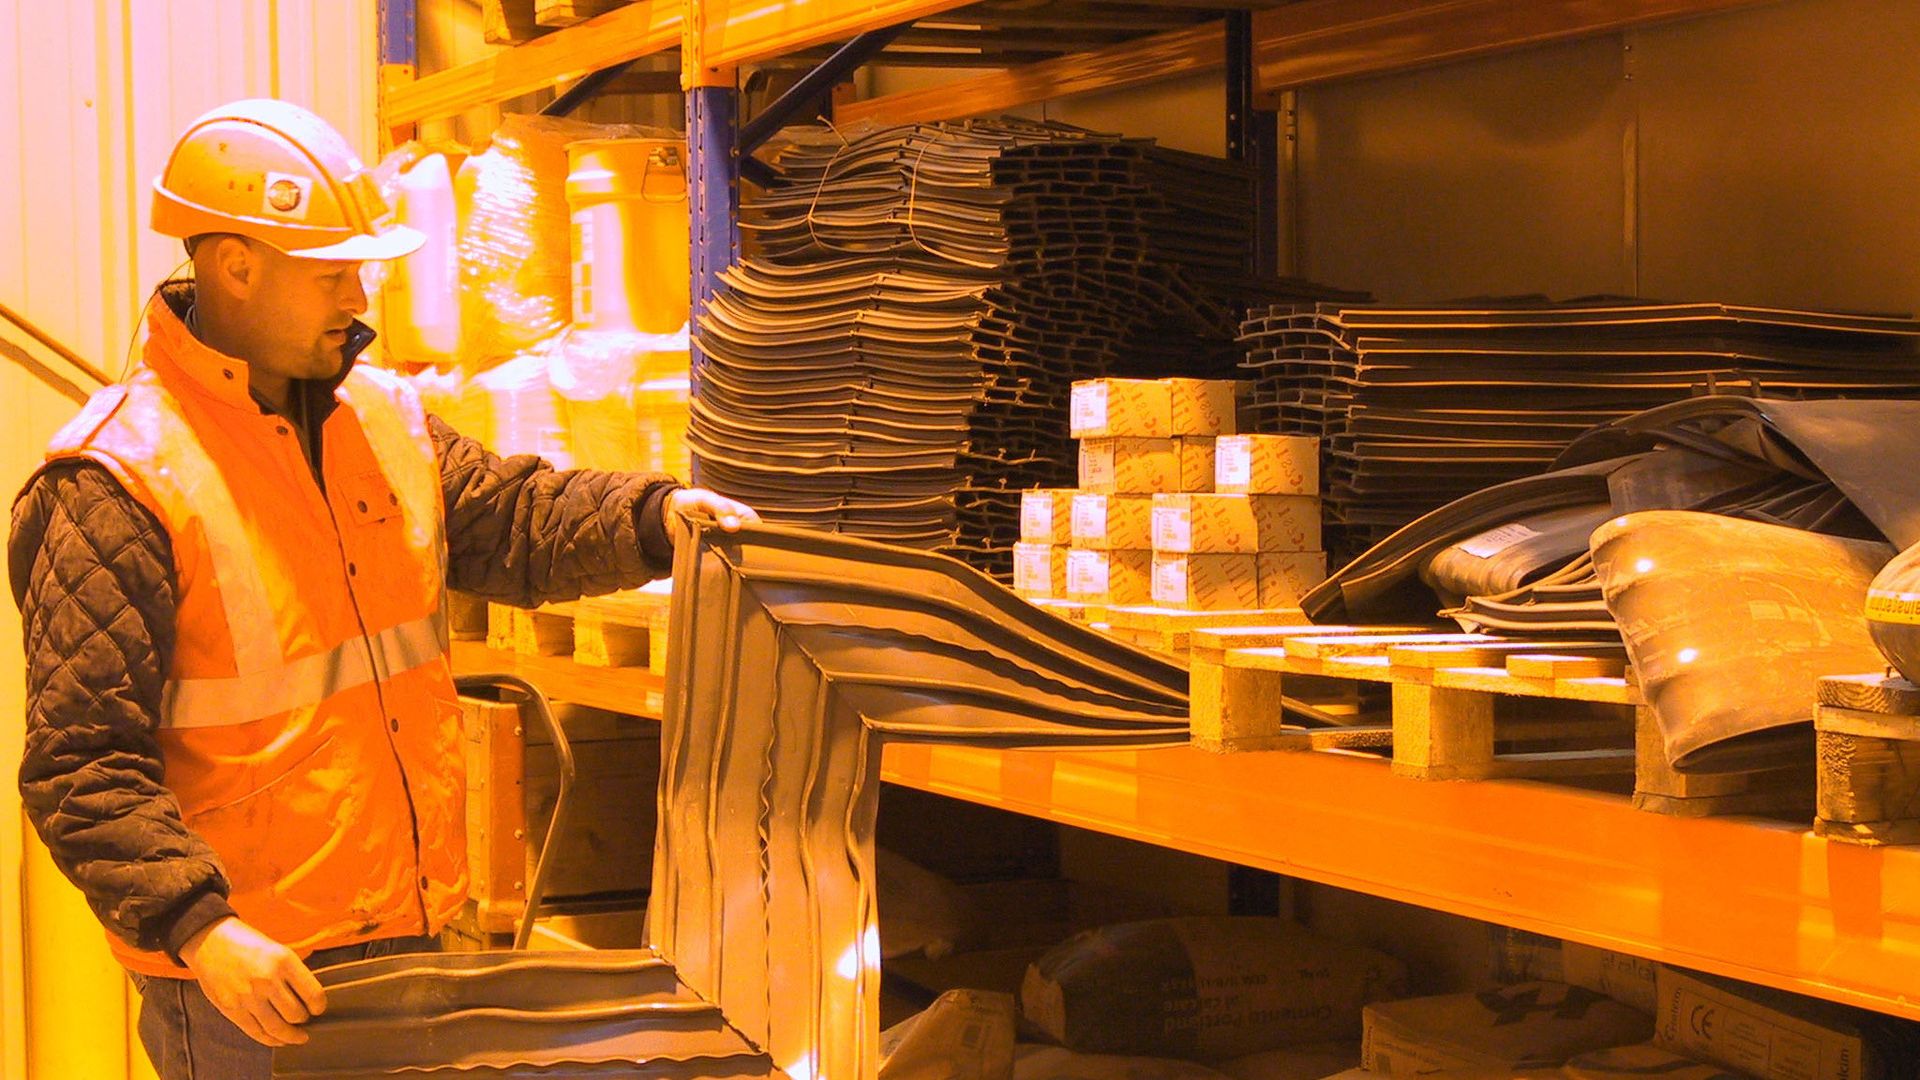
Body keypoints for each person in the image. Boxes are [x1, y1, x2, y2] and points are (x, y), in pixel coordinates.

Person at [8, 98, 756, 1079]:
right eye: (333, 273)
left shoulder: (384, 420)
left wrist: (654, 521)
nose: (359, 295)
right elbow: (81, 766)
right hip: (253, 984)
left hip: (406, 941)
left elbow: (517, 522)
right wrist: (202, 931)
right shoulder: (117, 482)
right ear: (235, 266)